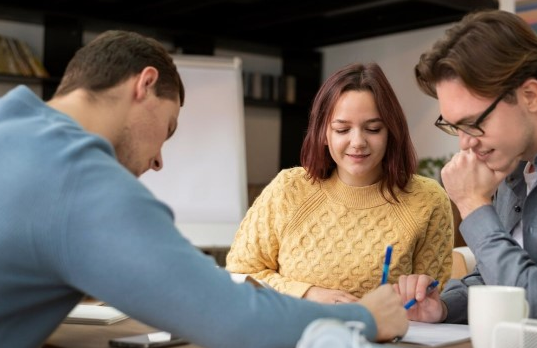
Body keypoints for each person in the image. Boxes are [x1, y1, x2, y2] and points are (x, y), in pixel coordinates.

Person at [0, 30, 409, 347]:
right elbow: (231, 321)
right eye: (168, 129)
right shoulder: (81, 177)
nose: (159, 159)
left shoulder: (12, 125)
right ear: (145, 84)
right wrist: (367, 317)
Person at [397, 9, 537, 334]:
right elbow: (498, 277)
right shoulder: (511, 163)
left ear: (529, 95)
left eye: (474, 123)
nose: (465, 145)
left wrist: (473, 204)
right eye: (455, 127)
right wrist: (444, 305)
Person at [226, 62, 454, 304]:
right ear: (324, 133)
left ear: (391, 132)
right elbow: (239, 274)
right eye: (342, 129)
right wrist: (308, 293)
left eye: (373, 129)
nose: (357, 142)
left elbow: (436, 300)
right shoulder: (288, 189)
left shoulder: (427, 199)